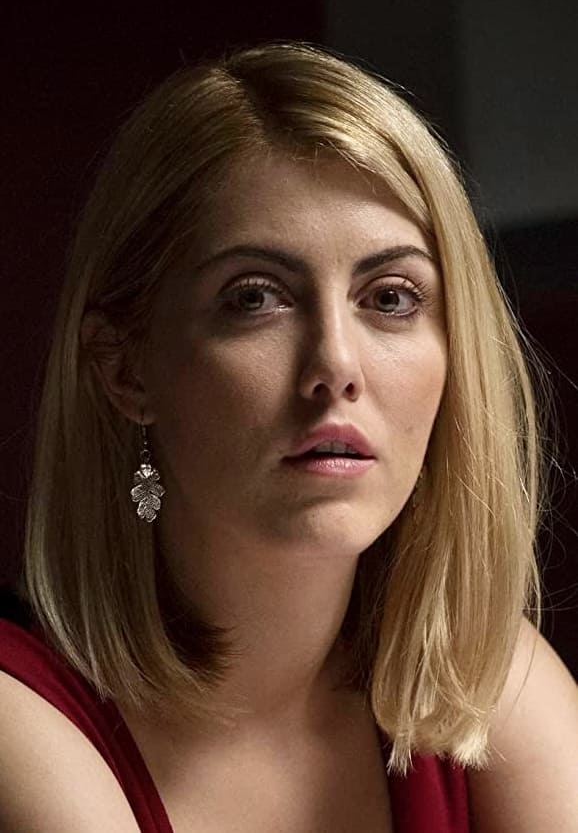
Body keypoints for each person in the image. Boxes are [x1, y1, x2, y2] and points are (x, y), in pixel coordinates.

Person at [0, 41, 577, 833]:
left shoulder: (485, 679)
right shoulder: (20, 724)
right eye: (255, 298)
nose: (336, 364)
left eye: (391, 297)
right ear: (125, 368)